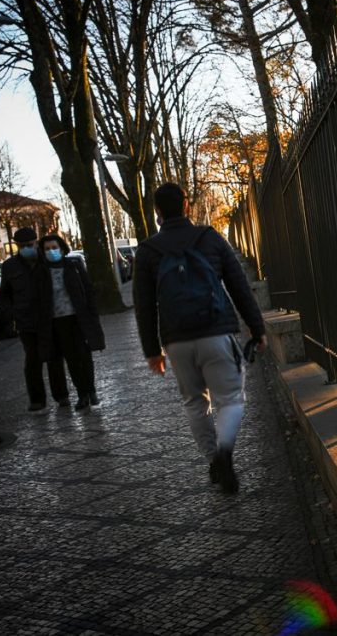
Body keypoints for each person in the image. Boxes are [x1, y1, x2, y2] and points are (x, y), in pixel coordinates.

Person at [133, 183, 265, 494]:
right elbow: (238, 286)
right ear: (187, 205)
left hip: (177, 342)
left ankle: (213, 460)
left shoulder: (148, 251)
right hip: (216, 333)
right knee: (230, 400)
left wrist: (153, 351)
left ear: (157, 212)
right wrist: (257, 328)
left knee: (195, 403)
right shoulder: (209, 238)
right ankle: (224, 454)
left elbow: (143, 305)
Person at [0, 227, 68, 411]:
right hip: (26, 321)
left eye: (30, 245)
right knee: (32, 361)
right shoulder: (9, 266)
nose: (26, 248)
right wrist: (11, 314)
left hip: (50, 318)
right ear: (16, 246)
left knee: (54, 359)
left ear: (36, 242)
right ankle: (37, 400)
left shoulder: (46, 260)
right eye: (22, 246)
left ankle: (61, 396)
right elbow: (4, 294)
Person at [34, 234, 105, 410]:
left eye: (54, 247)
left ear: (62, 248)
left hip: (79, 318)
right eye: (47, 249)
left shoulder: (73, 265)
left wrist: (92, 315)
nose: (52, 251)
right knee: (72, 359)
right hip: (58, 322)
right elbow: (38, 300)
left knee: (85, 356)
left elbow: (88, 290)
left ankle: (91, 391)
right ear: (42, 252)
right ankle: (82, 395)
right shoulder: (41, 272)